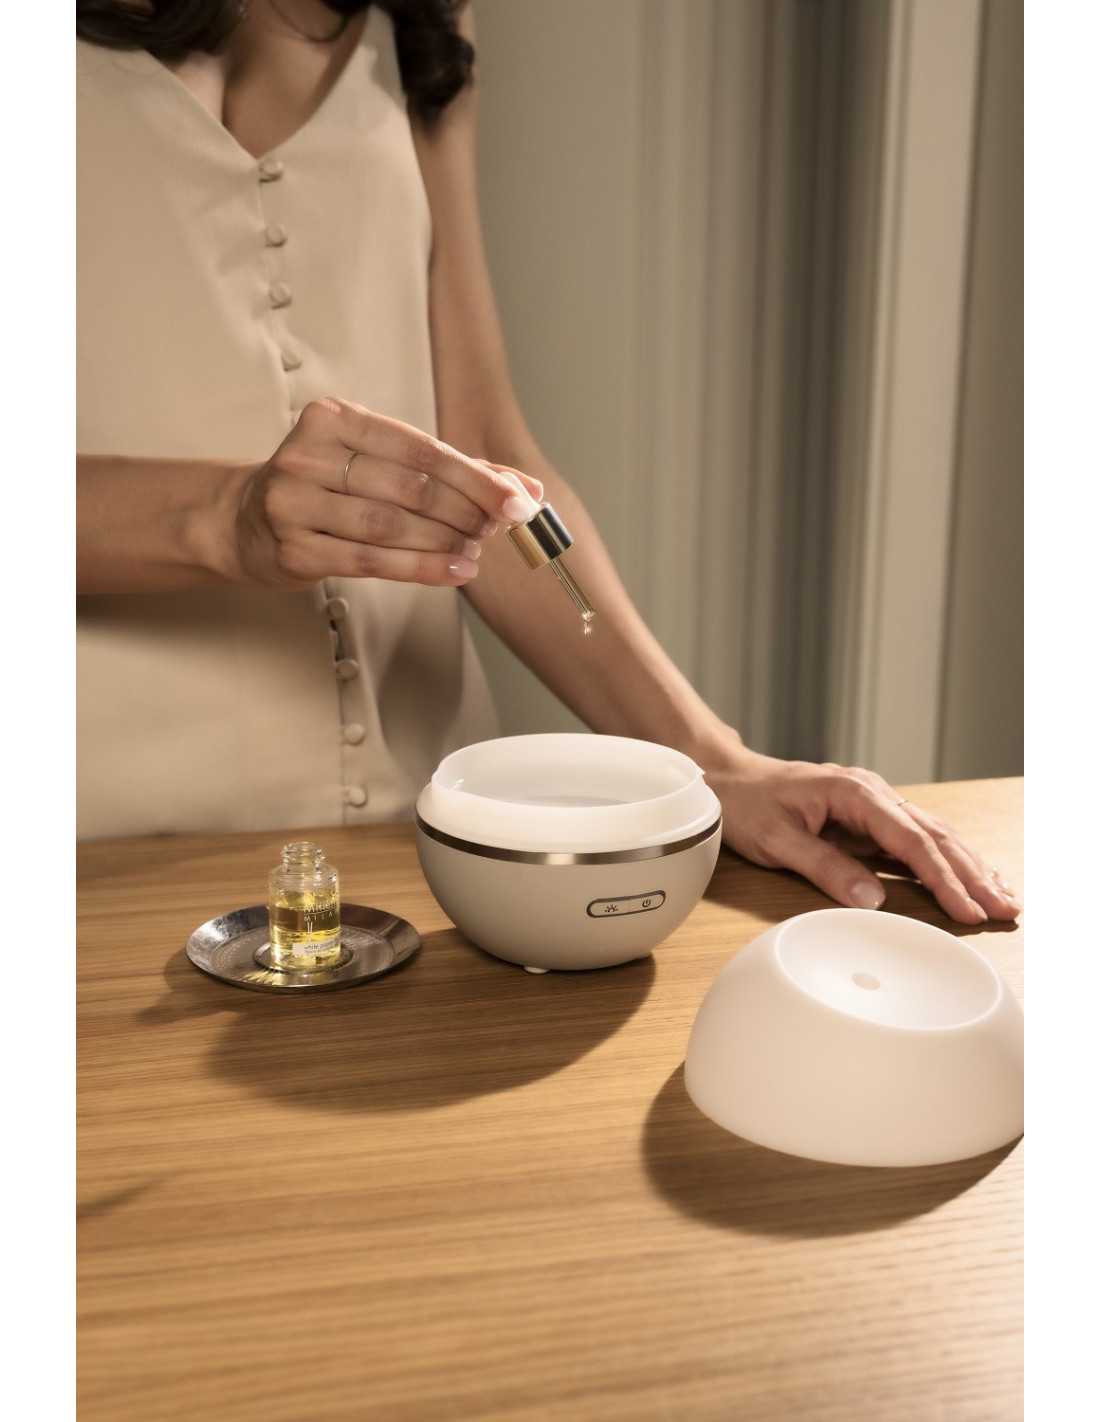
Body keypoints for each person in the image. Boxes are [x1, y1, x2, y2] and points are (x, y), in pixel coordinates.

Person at [75, 0, 1020, 925]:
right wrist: (223, 515)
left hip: (429, 843)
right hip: (103, 854)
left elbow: (485, 454)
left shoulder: (424, 16)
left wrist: (714, 762)